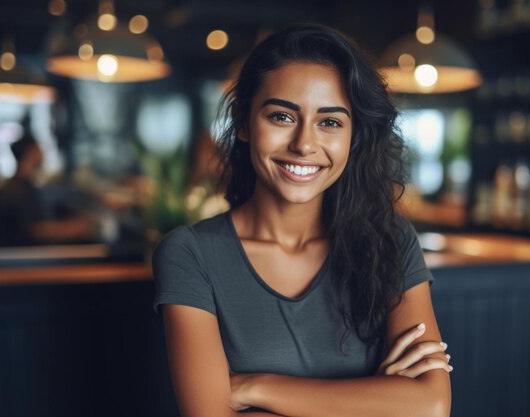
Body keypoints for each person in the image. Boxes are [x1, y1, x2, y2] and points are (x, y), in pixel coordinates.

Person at [152, 24, 451, 417]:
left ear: (354, 137)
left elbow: (430, 406)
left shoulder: (391, 240)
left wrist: (255, 387)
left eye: (330, 122)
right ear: (244, 124)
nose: (304, 145)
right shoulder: (190, 254)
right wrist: (376, 401)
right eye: (281, 116)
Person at [0, 134, 95, 246]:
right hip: (24, 257)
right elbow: (30, 230)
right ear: (31, 151)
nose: (43, 153)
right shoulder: (18, 191)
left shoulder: (20, 186)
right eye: (39, 147)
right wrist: (68, 229)